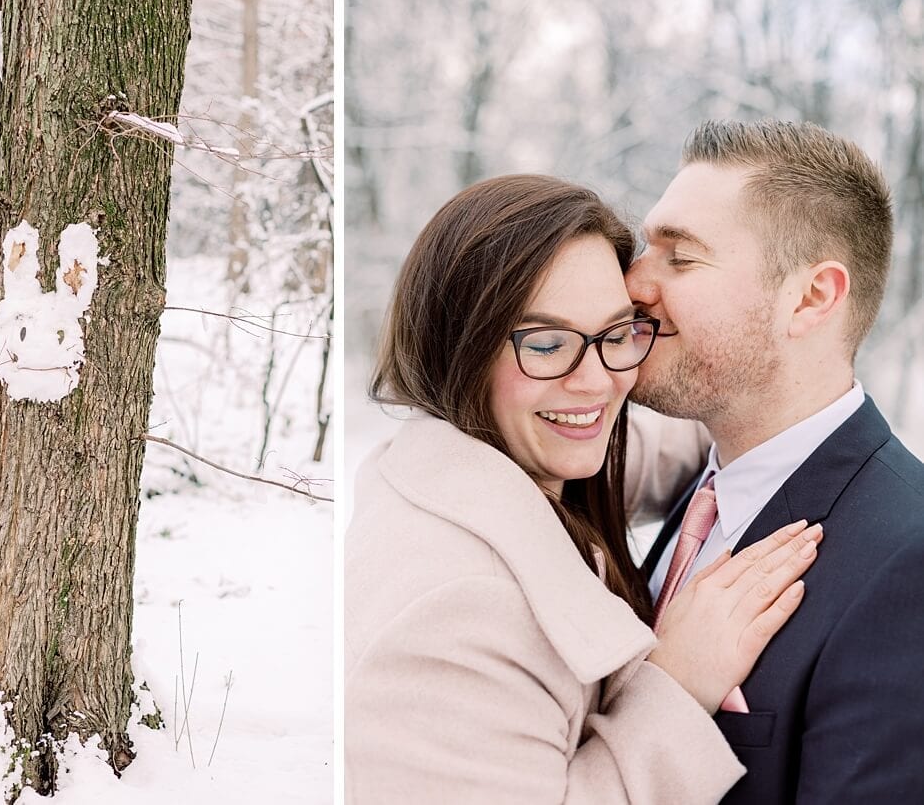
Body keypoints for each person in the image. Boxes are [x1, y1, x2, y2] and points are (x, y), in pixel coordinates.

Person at [345, 174, 821, 804]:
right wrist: (677, 686)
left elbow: (651, 456)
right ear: (455, 345)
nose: (596, 382)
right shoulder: (458, 607)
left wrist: (772, 399)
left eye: (617, 334)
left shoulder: (495, 461)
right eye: (546, 343)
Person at [629, 119, 924, 803]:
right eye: (647, 249)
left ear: (811, 297)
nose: (635, 283)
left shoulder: (907, 562)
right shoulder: (710, 491)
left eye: (680, 257)